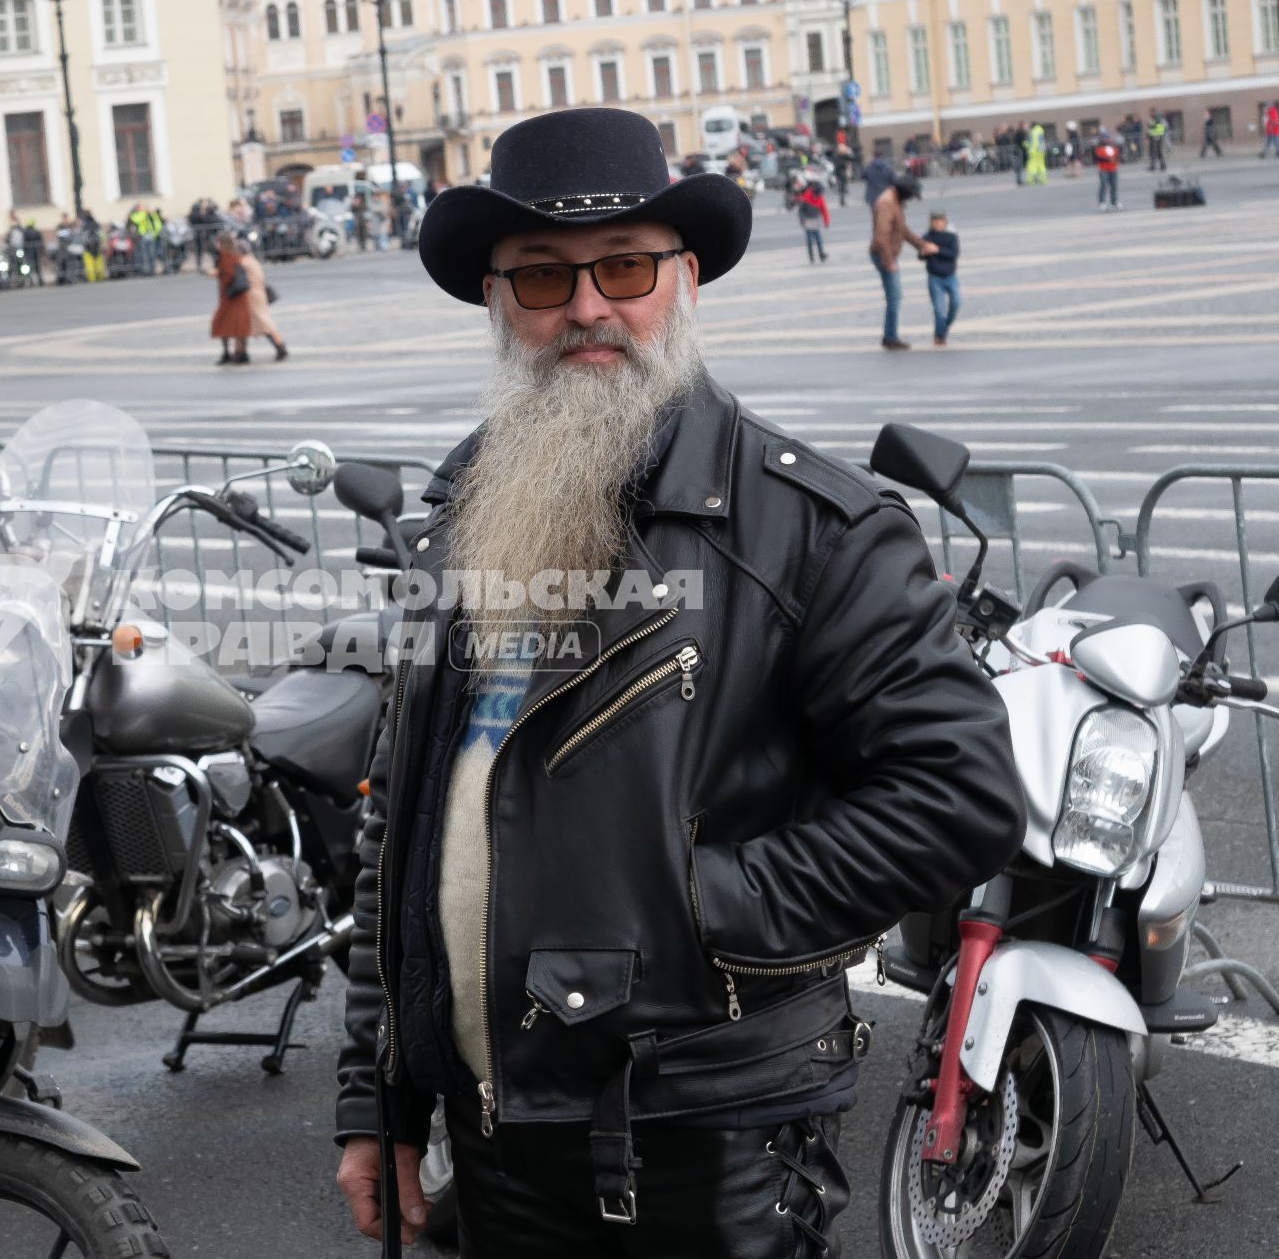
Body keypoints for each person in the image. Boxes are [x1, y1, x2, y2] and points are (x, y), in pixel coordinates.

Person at [334, 106, 1021, 1258]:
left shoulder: (811, 529)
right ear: (500, 304)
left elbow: (957, 795)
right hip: (492, 1145)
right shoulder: (458, 522)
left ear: (684, 278)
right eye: (543, 278)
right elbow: (397, 839)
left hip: (707, 1142)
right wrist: (380, 1098)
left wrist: (690, 912)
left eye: (625, 265)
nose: (589, 306)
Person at [870, 173, 934, 350]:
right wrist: (889, 261)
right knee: (894, 296)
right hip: (884, 254)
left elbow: (902, 229)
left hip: (887, 254)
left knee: (894, 296)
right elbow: (882, 237)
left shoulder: (894, 201)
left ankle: (889, 336)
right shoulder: (887, 204)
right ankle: (890, 337)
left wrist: (921, 245)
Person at [236, 237, 287, 361]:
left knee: (259, 323)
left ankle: (279, 345)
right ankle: (240, 352)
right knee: (248, 324)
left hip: (250, 296)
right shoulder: (253, 260)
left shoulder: (242, 263)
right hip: (259, 294)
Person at [209, 230, 252, 364]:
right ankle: (242, 352)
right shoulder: (236, 255)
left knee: (224, 325)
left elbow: (228, 275)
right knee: (239, 327)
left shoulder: (225, 256)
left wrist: (217, 274)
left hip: (230, 297)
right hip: (239, 297)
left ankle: (229, 352)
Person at [920, 208, 960, 347]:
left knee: (956, 302)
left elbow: (954, 254)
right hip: (935, 277)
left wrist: (937, 250)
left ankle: (943, 328)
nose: (937, 224)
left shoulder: (951, 237)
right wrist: (925, 251)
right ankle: (939, 336)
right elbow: (920, 256)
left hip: (950, 276)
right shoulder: (927, 237)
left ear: (945, 222)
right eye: (934, 221)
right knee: (939, 309)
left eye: (940, 221)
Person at [796, 176, 830, 262]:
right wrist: (802, 220)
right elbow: (801, 211)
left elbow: (824, 211)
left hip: (816, 221)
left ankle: (821, 254)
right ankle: (811, 257)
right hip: (808, 222)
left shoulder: (820, 199)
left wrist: (826, 221)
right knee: (809, 241)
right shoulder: (806, 198)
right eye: (817, 195)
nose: (818, 197)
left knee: (819, 239)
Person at [1093, 130, 1123, 211]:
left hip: (1113, 169)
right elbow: (1098, 158)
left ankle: (1114, 201)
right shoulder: (1099, 148)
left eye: (1108, 138)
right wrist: (1108, 159)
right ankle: (1102, 202)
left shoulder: (1114, 147)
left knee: (1114, 186)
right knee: (1104, 185)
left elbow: (1118, 155)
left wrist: (1115, 158)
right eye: (1105, 138)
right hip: (1103, 169)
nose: (1107, 140)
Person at [1024, 121, 1049, 185]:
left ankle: (1030, 180)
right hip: (1041, 151)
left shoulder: (1033, 132)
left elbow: (1032, 143)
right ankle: (1043, 179)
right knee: (1041, 165)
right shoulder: (1041, 131)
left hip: (1034, 151)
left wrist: (1025, 144)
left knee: (1032, 166)